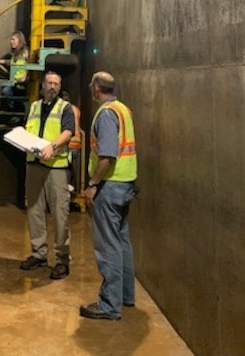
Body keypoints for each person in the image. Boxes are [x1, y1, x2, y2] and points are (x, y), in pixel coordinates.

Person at [80, 71, 138, 320]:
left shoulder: (105, 115)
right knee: (122, 242)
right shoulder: (123, 109)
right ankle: (125, 296)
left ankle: (110, 305)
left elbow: (108, 156)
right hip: (125, 185)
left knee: (109, 246)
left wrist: (92, 184)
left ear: (96, 89)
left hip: (109, 187)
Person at [20, 71, 75, 280]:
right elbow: (28, 131)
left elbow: (68, 131)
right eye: (49, 83)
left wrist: (52, 146)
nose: (52, 87)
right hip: (34, 166)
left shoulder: (65, 108)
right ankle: (39, 254)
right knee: (34, 210)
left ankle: (62, 260)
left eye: (56, 84)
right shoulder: (34, 107)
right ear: (43, 85)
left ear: (59, 87)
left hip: (56, 168)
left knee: (60, 215)